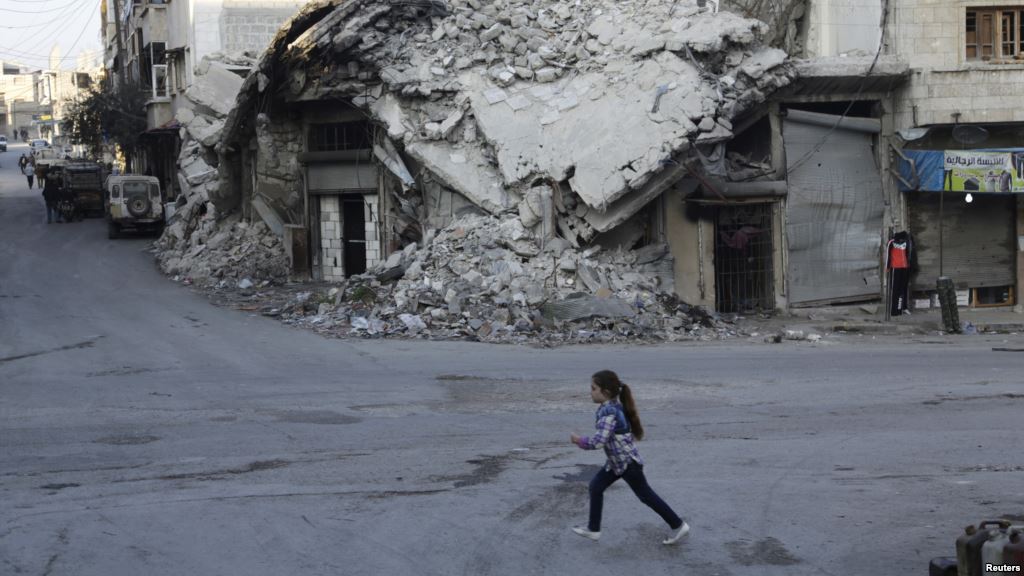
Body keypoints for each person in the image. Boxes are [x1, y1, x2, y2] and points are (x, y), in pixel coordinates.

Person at [569, 370, 689, 545]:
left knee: (646, 496)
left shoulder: (609, 412)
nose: (591, 392)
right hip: (616, 463)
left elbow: (598, 441)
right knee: (596, 486)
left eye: (593, 388)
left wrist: (579, 440)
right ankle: (593, 529)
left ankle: (678, 525)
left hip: (627, 464)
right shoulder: (610, 406)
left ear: (606, 392)